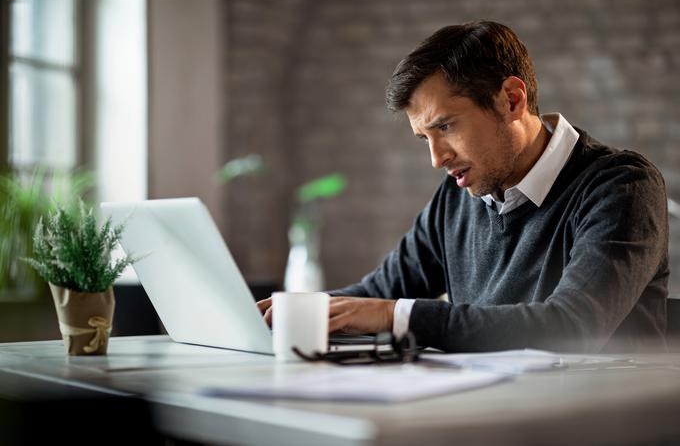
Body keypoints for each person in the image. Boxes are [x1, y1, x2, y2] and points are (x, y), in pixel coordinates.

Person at [258, 21, 669, 353]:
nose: (437, 158)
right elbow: (375, 295)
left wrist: (395, 316)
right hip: (495, 418)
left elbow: (572, 326)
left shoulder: (622, 186)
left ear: (511, 100)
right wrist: (286, 312)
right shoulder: (456, 197)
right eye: (425, 138)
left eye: (446, 126)